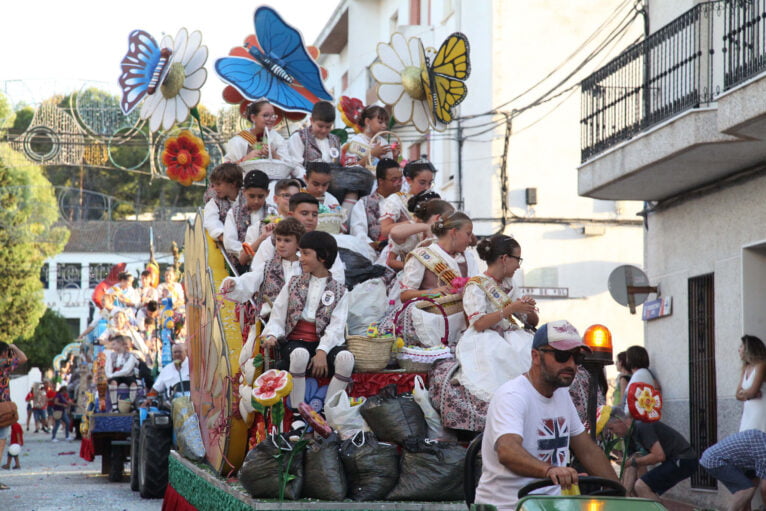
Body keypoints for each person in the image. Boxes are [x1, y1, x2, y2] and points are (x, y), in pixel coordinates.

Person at [474, 321, 618, 509]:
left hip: (550, 505)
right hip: (508, 506)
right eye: (562, 355)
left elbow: (588, 451)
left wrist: (625, 496)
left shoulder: (561, 394)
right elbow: (507, 450)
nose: (571, 365)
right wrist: (550, 471)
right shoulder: (512, 396)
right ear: (535, 356)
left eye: (577, 358)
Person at [429, 235, 537, 432]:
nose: (518, 266)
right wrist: (510, 309)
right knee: (500, 359)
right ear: (504, 259)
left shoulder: (510, 285)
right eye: (517, 260)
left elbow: (531, 322)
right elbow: (478, 323)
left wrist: (528, 308)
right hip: (485, 337)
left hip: (513, 335)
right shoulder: (476, 285)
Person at [262, 231, 354, 409]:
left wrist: (322, 351)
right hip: (296, 342)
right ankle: (298, 412)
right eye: (300, 253)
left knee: (346, 359)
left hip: (324, 343)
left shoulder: (340, 290)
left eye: (305, 253)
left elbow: (336, 327)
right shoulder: (293, 283)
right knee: (300, 355)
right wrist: (272, 334)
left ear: (323, 257)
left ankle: (329, 412)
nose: (300, 258)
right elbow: (278, 316)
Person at [397, 212, 479, 347]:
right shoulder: (423, 255)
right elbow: (405, 295)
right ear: (454, 232)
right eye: (468, 234)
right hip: (435, 324)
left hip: (466, 322)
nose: (470, 240)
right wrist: (433, 292)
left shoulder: (469, 257)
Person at [248, 193, 346, 286]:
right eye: (304, 213)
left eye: (314, 214)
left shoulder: (325, 243)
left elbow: (338, 278)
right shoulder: (273, 242)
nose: (310, 218)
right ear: (291, 215)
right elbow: (257, 274)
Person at [605, 407, 698, 500]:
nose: (612, 433)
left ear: (619, 420)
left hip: (684, 459)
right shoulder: (627, 436)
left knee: (641, 486)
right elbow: (632, 464)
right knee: (639, 489)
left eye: (611, 428)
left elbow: (659, 456)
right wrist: (625, 493)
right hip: (673, 460)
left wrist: (632, 463)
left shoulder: (642, 426)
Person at [221, 217, 305, 319]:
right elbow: (251, 279)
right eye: (278, 239)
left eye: (287, 241)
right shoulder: (267, 266)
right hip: (269, 320)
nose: (281, 244)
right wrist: (234, 282)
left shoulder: (305, 267)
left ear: (298, 244)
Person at [700, 429, 766, 511]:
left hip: (725, 460)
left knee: (753, 481)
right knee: (746, 488)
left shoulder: (761, 439)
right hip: (715, 461)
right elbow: (764, 488)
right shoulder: (763, 450)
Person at [223, 169, 276, 268]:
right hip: (240, 266)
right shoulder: (234, 213)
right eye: (252, 196)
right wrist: (245, 253)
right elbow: (229, 242)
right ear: (244, 192)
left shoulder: (273, 212)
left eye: (260, 196)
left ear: (267, 193)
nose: (256, 201)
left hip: (268, 263)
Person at [386, 195, 451, 271]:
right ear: (437, 218)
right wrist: (426, 227)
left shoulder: (438, 237)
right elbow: (390, 261)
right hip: (407, 275)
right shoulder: (412, 230)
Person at [349, 158, 402, 250]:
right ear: (381, 181)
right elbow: (358, 232)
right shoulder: (364, 203)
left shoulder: (406, 202)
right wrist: (374, 245)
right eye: (394, 180)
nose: (399, 184)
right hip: (373, 254)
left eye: (400, 179)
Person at [223, 100, 289, 172]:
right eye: (266, 115)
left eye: (273, 115)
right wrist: (245, 159)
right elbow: (227, 170)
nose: (271, 119)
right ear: (253, 117)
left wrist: (274, 155)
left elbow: (288, 166)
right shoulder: (239, 141)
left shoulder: (277, 138)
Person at [379, 158, 436, 239]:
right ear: (409, 180)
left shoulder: (433, 201)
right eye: (422, 183)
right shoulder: (396, 200)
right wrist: (413, 223)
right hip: (400, 250)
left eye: (430, 183)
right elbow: (384, 230)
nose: (427, 187)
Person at [286, 101, 341, 180]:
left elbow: (338, 165)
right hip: (306, 184)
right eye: (320, 126)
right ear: (311, 120)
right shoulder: (299, 137)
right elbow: (295, 166)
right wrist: (312, 180)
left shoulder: (335, 140)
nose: (324, 130)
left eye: (328, 127)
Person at [0, 342, 26, 490]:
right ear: (4, 352)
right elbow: (23, 358)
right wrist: (14, 347)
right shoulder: (3, 364)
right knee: (1, 442)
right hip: (2, 410)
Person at [203, 162, 244, 243]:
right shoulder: (214, 201)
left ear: (233, 183)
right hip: (226, 244)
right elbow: (211, 221)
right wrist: (225, 239)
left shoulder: (248, 197)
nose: (215, 188)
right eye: (213, 185)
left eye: (218, 184)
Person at [736, 334, 766, 432]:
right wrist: (749, 394)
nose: (739, 350)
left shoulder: (761, 365)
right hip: (749, 411)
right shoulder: (746, 368)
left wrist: (746, 394)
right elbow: (737, 394)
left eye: (741, 346)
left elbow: (752, 391)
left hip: (760, 411)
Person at [623, 345, 661, 414]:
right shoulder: (642, 373)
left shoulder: (640, 374)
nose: (626, 360)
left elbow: (634, 399)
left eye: (627, 357)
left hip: (635, 418)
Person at [104, 336, 138, 412]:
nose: (113, 347)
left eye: (114, 344)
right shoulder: (111, 355)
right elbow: (108, 367)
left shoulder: (130, 356)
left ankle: (131, 404)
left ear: (120, 344)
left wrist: (113, 375)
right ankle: (114, 406)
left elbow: (126, 370)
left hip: (126, 376)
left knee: (133, 384)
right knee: (113, 382)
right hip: (115, 376)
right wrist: (110, 375)